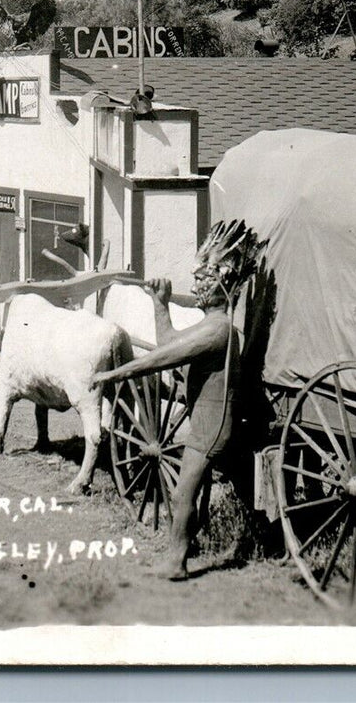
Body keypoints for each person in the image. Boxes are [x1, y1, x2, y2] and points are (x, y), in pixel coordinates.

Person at [93, 219, 264, 580]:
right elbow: (170, 343)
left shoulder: (218, 331)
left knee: (182, 493)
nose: (196, 285)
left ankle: (177, 561)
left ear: (222, 285)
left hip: (210, 429)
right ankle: (187, 547)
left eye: (204, 280)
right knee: (189, 491)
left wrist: (114, 375)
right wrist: (160, 304)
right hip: (206, 423)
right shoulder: (212, 324)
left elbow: (163, 358)